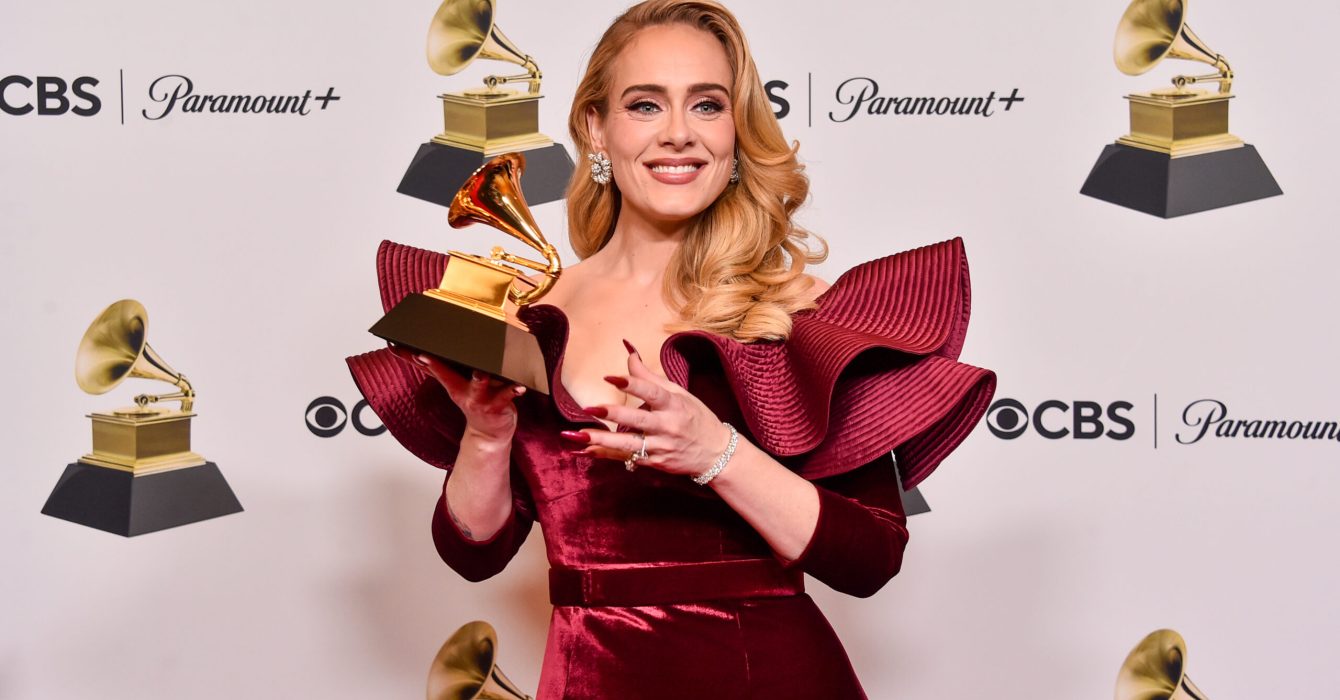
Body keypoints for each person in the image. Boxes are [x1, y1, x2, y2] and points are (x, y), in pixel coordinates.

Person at [348, 1, 996, 697]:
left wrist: (716, 453)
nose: (680, 134)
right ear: (597, 129)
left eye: (708, 105)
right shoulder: (532, 319)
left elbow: (870, 558)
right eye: (646, 105)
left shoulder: (796, 312)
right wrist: (485, 433)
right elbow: (474, 555)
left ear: (738, 132)